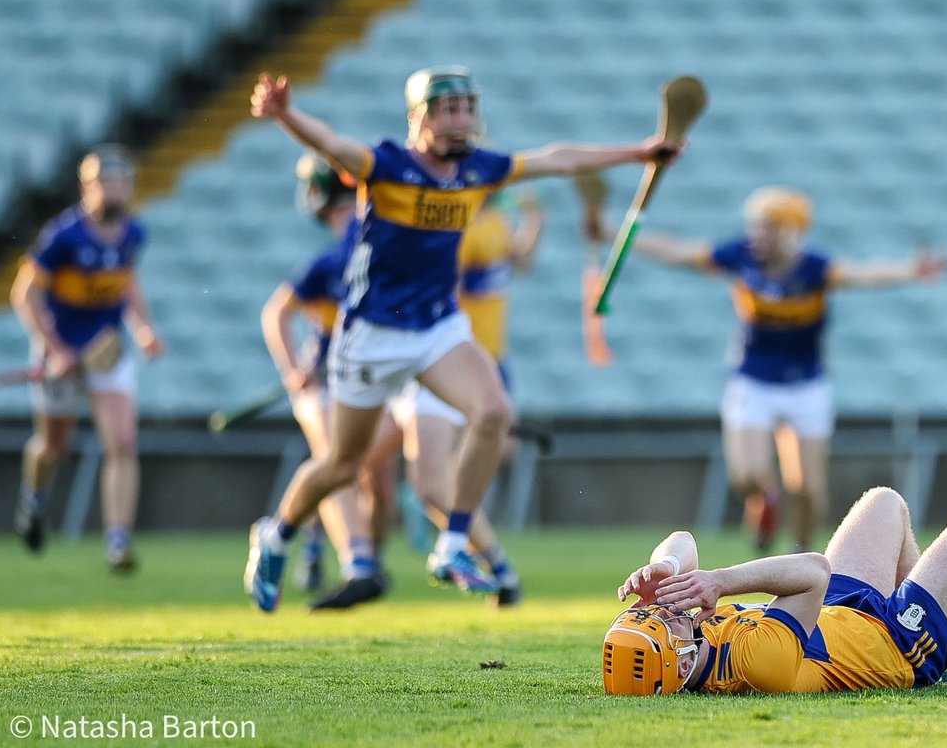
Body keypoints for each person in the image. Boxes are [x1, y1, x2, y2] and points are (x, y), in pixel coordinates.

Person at [244, 65, 680, 612]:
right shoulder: (388, 164)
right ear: (417, 119)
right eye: (447, 111)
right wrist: (286, 116)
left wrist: (638, 152)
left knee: (493, 410)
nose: (460, 121)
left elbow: (555, 158)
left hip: (438, 326)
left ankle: (451, 544)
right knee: (342, 465)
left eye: (467, 109)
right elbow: (332, 144)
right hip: (374, 333)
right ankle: (277, 535)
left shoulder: (479, 170)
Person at [585, 185, 947, 553]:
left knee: (807, 487)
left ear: (793, 231)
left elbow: (863, 275)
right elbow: (677, 252)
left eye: (769, 227)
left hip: (806, 383)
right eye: (756, 226)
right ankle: (766, 503)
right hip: (753, 379)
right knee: (746, 477)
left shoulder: (814, 269)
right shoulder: (740, 258)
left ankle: (803, 552)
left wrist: (908, 270)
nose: (758, 234)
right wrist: (616, 233)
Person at [604, 485, 947, 695]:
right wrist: (718, 581)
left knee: (884, 502)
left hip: (834, 615)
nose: (663, 610)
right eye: (660, 621)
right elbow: (812, 570)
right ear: (678, 654)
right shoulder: (756, 663)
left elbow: (682, 542)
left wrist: (665, 565)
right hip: (892, 642)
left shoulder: (686, 644)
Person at [373, 188, 547, 604]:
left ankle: (451, 537)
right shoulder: (462, 230)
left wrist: (536, 220)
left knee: (488, 457)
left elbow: (520, 260)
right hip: (446, 360)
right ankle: (498, 569)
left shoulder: (493, 223)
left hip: (485, 360)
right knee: (424, 481)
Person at [9, 144, 165, 572]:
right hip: (60, 351)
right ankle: (34, 500)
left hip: (106, 351)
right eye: (105, 184)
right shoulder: (63, 236)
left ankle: (118, 541)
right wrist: (57, 350)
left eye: (120, 183)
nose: (114, 191)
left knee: (122, 443)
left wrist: (144, 327)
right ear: (86, 188)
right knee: (54, 447)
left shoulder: (134, 232)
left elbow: (127, 283)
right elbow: (24, 295)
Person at [259, 154, 390, 609]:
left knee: (366, 472)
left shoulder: (364, 246)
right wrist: (293, 369)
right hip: (324, 383)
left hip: (364, 377)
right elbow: (275, 313)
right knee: (339, 461)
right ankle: (358, 563)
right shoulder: (331, 261)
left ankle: (330, 542)